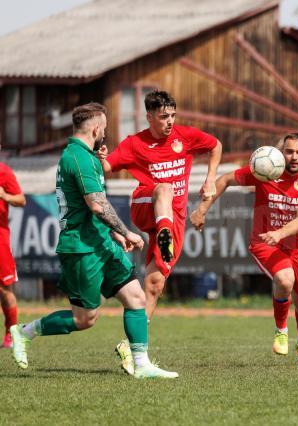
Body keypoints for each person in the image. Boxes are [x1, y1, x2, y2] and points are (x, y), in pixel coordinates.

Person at [9, 102, 177, 378]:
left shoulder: (86, 156)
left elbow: (90, 208)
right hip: (81, 248)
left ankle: (142, 365)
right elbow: (97, 205)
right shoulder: (79, 158)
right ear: (96, 128)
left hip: (100, 241)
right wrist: (126, 231)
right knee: (84, 319)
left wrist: (112, 233)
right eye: (105, 129)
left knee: (136, 298)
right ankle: (25, 332)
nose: (105, 135)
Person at [99, 90, 222, 374]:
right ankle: (164, 230)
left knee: (154, 285)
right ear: (149, 116)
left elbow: (216, 145)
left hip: (174, 218)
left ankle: (131, 348)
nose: (170, 121)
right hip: (146, 205)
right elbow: (106, 167)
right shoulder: (135, 143)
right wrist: (99, 155)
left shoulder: (185, 136)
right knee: (164, 187)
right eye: (164, 116)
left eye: (173, 116)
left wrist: (210, 179)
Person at [190, 133, 298, 366]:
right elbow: (224, 180)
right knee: (284, 279)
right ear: (282, 152)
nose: (294, 157)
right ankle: (281, 330)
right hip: (264, 242)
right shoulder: (266, 170)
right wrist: (202, 209)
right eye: (289, 151)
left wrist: (280, 233)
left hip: (297, 247)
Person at [0, 143, 26, 348]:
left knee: (4, 288)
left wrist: (4, 196)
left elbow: (21, 200)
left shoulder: (4, 173)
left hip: (0, 237)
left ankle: (11, 333)